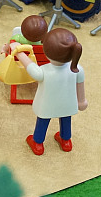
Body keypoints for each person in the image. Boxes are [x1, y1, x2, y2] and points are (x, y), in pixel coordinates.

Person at [15, 28, 87, 156]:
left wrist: (19, 53)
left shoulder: (43, 71)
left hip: (47, 105)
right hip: (68, 104)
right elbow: (80, 88)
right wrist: (82, 101)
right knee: (66, 119)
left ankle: (37, 143)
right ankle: (66, 141)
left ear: (46, 52)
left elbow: (30, 66)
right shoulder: (78, 69)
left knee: (43, 121)